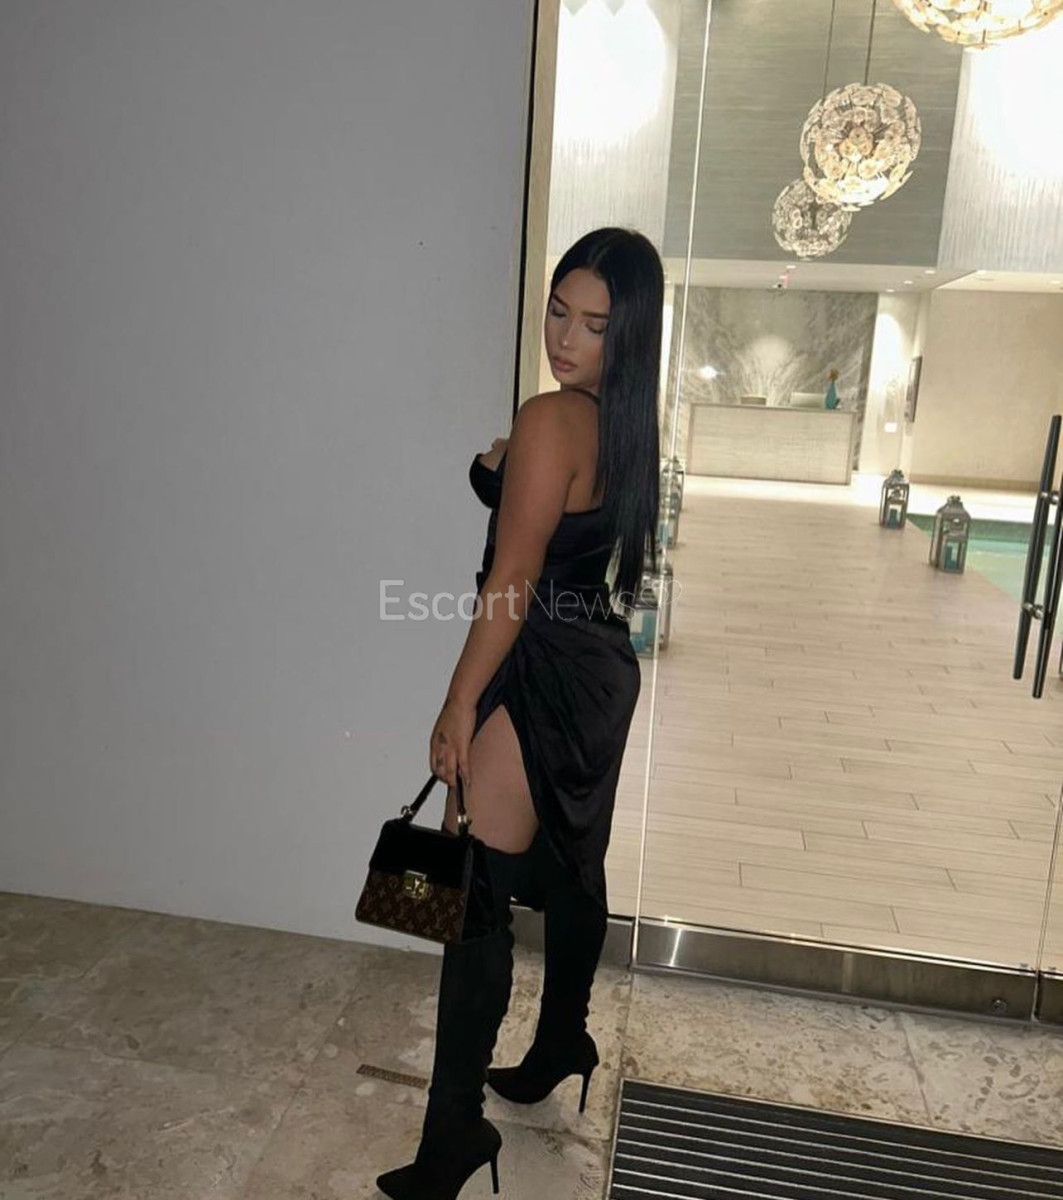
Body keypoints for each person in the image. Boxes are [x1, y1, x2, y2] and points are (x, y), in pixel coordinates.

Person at [376, 227, 664, 1200]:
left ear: (629, 335)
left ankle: (454, 1133)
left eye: (595, 325)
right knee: (572, 863)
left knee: (471, 892)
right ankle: (562, 1041)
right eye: (557, 310)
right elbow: (558, 524)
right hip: (597, 667)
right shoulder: (625, 429)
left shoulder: (549, 419)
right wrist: (503, 464)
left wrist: (458, 703)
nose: (565, 338)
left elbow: (512, 575)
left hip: (535, 661)